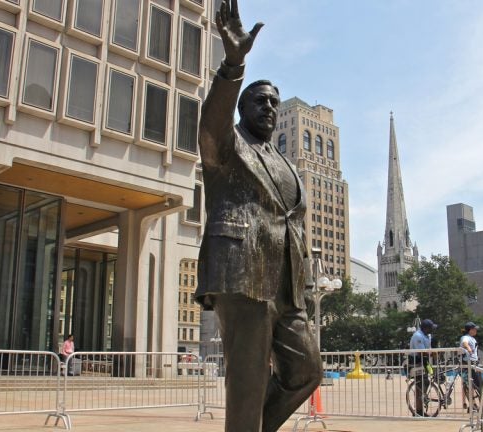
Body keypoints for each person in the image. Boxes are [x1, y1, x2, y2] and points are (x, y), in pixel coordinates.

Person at [193, 1, 320, 431]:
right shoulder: (227, 148)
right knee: (246, 384)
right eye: (261, 101)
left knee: (306, 371)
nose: (269, 107)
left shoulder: (284, 163)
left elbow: (293, 222)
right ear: (243, 108)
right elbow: (211, 126)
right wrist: (233, 64)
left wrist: (302, 281)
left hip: (286, 285)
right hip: (241, 274)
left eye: (274, 102)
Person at [408, 319, 437, 416]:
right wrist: (434, 353)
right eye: (431, 328)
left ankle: (422, 400)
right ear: (426, 328)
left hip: (424, 361)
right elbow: (422, 351)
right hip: (416, 361)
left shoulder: (427, 335)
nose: (432, 330)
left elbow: (428, 350)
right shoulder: (418, 336)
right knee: (420, 385)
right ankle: (418, 411)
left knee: (427, 381)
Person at [460, 322, 483, 410]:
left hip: (473, 363)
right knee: (470, 385)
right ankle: (473, 405)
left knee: (478, 384)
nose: (476, 330)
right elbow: (464, 343)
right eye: (474, 329)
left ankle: (478, 405)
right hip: (467, 364)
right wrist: (468, 348)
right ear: (470, 330)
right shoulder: (465, 337)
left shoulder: (472, 338)